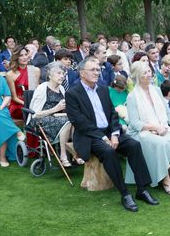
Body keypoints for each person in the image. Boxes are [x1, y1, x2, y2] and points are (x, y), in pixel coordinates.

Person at [65, 58, 158, 212]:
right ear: (82, 73)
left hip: (109, 132)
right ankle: (124, 193)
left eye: (97, 69)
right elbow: (79, 122)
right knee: (108, 151)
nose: (97, 72)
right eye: (92, 70)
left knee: (134, 145)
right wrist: (103, 138)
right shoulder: (73, 93)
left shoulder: (102, 89)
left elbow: (113, 114)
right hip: (90, 136)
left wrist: (114, 134)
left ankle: (142, 189)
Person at [125, 62, 170, 195]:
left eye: (149, 71)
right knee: (161, 144)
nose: (149, 74)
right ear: (137, 76)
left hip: (161, 127)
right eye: (144, 73)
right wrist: (155, 127)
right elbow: (134, 123)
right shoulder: (132, 96)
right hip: (141, 132)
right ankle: (166, 180)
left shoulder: (157, 90)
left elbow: (168, 113)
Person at [29, 62, 74, 167]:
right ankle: (63, 155)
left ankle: (76, 153)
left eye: (63, 73)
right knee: (68, 121)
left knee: (76, 120)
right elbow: (35, 114)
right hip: (41, 120)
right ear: (49, 75)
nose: (62, 76)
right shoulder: (42, 88)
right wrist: (55, 109)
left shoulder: (61, 88)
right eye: (59, 73)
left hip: (58, 118)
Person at [6, 45, 40, 120]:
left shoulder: (35, 70)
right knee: (30, 112)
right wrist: (26, 104)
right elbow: (14, 97)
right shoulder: (10, 74)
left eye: (26, 54)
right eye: (21, 55)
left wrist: (35, 103)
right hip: (18, 105)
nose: (25, 57)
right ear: (16, 58)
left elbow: (37, 91)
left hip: (33, 102)